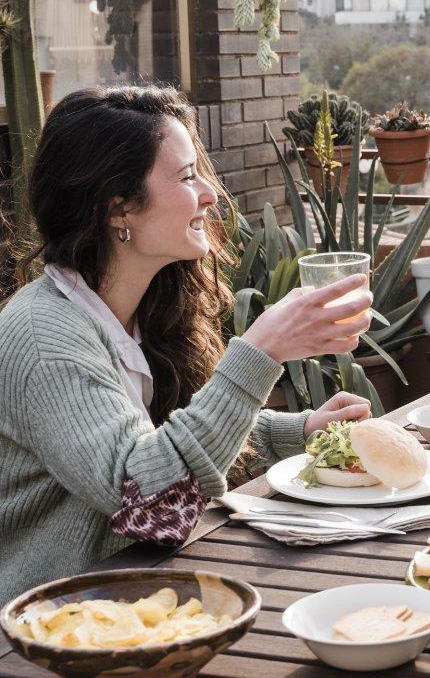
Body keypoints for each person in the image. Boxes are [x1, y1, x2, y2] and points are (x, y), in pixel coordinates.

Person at [0, 86, 374, 602]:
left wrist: (302, 432)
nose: (210, 195)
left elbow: (165, 442)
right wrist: (259, 353)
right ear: (118, 207)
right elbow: (150, 504)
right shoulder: (45, 336)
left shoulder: (139, 310)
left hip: (135, 599)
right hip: (45, 632)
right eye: (185, 176)